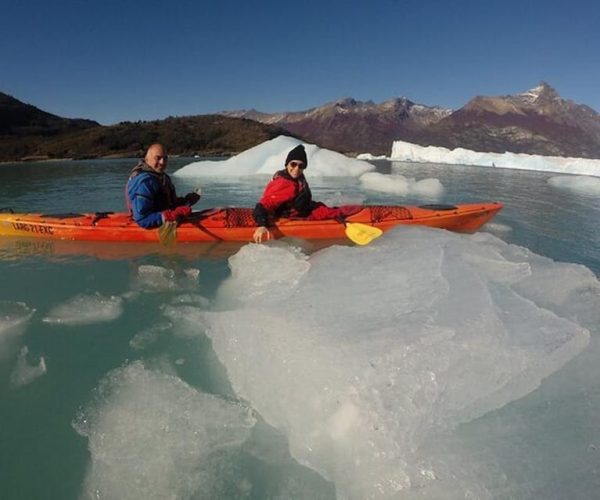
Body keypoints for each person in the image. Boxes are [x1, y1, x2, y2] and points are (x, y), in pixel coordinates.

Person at [252, 144, 359, 242]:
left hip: (304, 208)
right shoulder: (284, 183)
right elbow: (263, 205)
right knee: (340, 212)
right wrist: (262, 225)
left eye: (301, 166)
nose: (296, 169)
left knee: (328, 209)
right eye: (293, 164)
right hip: (296, 216)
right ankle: (360, 215)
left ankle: (354, 211)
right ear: (287, 164)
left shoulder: (295, 178)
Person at [126, 143, 200, 229]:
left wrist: (187, 201)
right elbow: (142, 219)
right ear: (147, 159)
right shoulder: (145, 182)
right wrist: (171, 215)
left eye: (165, 158)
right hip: (149, 222)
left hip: (162, 216)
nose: (162, 162)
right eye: (158, 158)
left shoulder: (161, 177)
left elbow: (168, 204)